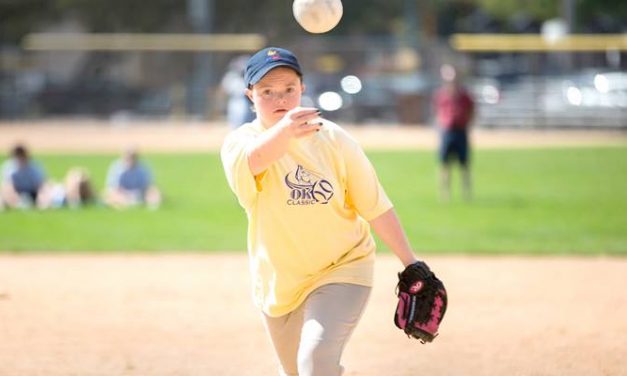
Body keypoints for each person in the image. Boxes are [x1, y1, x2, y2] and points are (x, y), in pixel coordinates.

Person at [220, 47, 428, 376]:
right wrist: (286, 132)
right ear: (250, 96)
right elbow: (255, 161)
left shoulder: (333, 139)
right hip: (279, 282)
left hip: (342, 266)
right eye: (267, 91)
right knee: (296, 372)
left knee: (315, 360)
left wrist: (412, 264)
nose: (280, 99)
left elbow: (374, 205)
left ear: (302, 88)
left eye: (289, 89)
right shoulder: (240, 142)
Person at [433, 64, 475, 201]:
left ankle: (466, 194)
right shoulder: (441, 95)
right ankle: (445, 194)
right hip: (447, 131)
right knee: (444, 164)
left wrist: (467, 123)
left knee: (464, 165)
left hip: (461, 131)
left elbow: (472, 111)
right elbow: (437, 112)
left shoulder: (465, 96)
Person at [1, 144, 47, 210]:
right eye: (17, 156)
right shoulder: (9, 167)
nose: (20, 158)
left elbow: (40, 186)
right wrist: (18, 202)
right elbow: (8, 187)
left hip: (32, 192)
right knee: (5, 191)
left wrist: (42, 201)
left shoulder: (34, 167)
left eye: (21, 155)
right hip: (16, 192)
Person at [221, 55, 256, 129]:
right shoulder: (231, 77)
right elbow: (225, 90)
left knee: (246, 123)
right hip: (236, 101)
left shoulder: (250, 77)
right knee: (235, 123)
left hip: (247, 102)